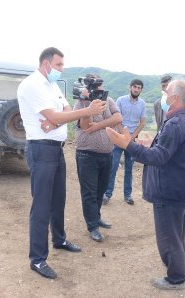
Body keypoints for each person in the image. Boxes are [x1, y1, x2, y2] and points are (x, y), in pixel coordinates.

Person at [17, 47, 106, 279]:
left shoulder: (52, 85)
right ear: (46, 64)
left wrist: (55, 122)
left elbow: (64, 112)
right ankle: (37, 259)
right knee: (42, 206)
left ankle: (59, 239)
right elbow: (59, 116)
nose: (61, 69)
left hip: (56, 149)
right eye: (59, 65)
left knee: (58, 199)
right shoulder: (32, 85)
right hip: (40, 149)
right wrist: (82, 111)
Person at [106, 79, 185, 290]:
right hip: (183, 189)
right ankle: (178, 263)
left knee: (169, 237)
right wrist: (150, 143)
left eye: (167, 92)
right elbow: (174, 152)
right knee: (177, 232)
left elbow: (157, 158)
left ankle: (176, 278)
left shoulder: (176, 124)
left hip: (169, 191)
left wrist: (127, 145)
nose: (164, 96)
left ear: (175, 98)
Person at [74, 74, 122, 242]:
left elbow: (118, 117)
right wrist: (88, 105)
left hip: (106, 154)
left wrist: (100, 125)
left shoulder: (108, 100)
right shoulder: (81, 103)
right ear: (89, 90)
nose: (100, 94)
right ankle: (92, 226)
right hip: (86, 155)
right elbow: (86, 127)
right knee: (89, 192)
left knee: (100, 190)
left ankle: (97, 216)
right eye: (98, 91)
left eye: (102, 90)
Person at [154, 74, 185, 223]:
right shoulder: (158, 104)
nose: (165, 89)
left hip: (177, 145)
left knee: (180, 178)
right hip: (165, 141)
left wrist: (130, 146)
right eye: (163, 86)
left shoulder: (182, 117)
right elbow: (160, 125)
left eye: (168, 86)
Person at [103, 79, 146, 205]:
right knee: (113, 166)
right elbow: (116, 119)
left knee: (129, 168)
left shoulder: (142, 104)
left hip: (132, 140)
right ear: (130, 87)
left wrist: (132, 137)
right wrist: (123, 134)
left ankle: (128, 195)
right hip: (118, 138)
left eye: (139, 87)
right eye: (134, 87)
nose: (136, 89)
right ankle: (107, 193)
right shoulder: (121, 100)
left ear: (141, 90)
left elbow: (142, 123)